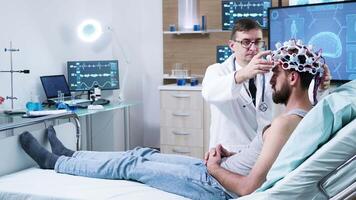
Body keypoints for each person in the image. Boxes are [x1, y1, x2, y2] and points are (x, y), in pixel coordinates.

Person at [20, 39, 324, 199]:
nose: (271, 81)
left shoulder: (287, 122)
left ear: (293, 77)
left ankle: (55, 163)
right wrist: (232, 155)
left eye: (277, 75)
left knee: (132, 165)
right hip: (215, 170)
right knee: (141, 153)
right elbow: (262, 159)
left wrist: (215, 167)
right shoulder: (299, 117)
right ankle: (71, 155)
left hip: (214, 185)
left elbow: (246, 189)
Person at [202, 18, 331, 153]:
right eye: (246, 42)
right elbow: (208, 93)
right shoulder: (217, 71)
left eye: (257, 42)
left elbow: (299, 101)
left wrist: (320, 87)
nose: (253, 48)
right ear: (232, 45)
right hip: (226, 152)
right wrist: (243, 74)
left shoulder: (271, 71)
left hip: (262, 151)